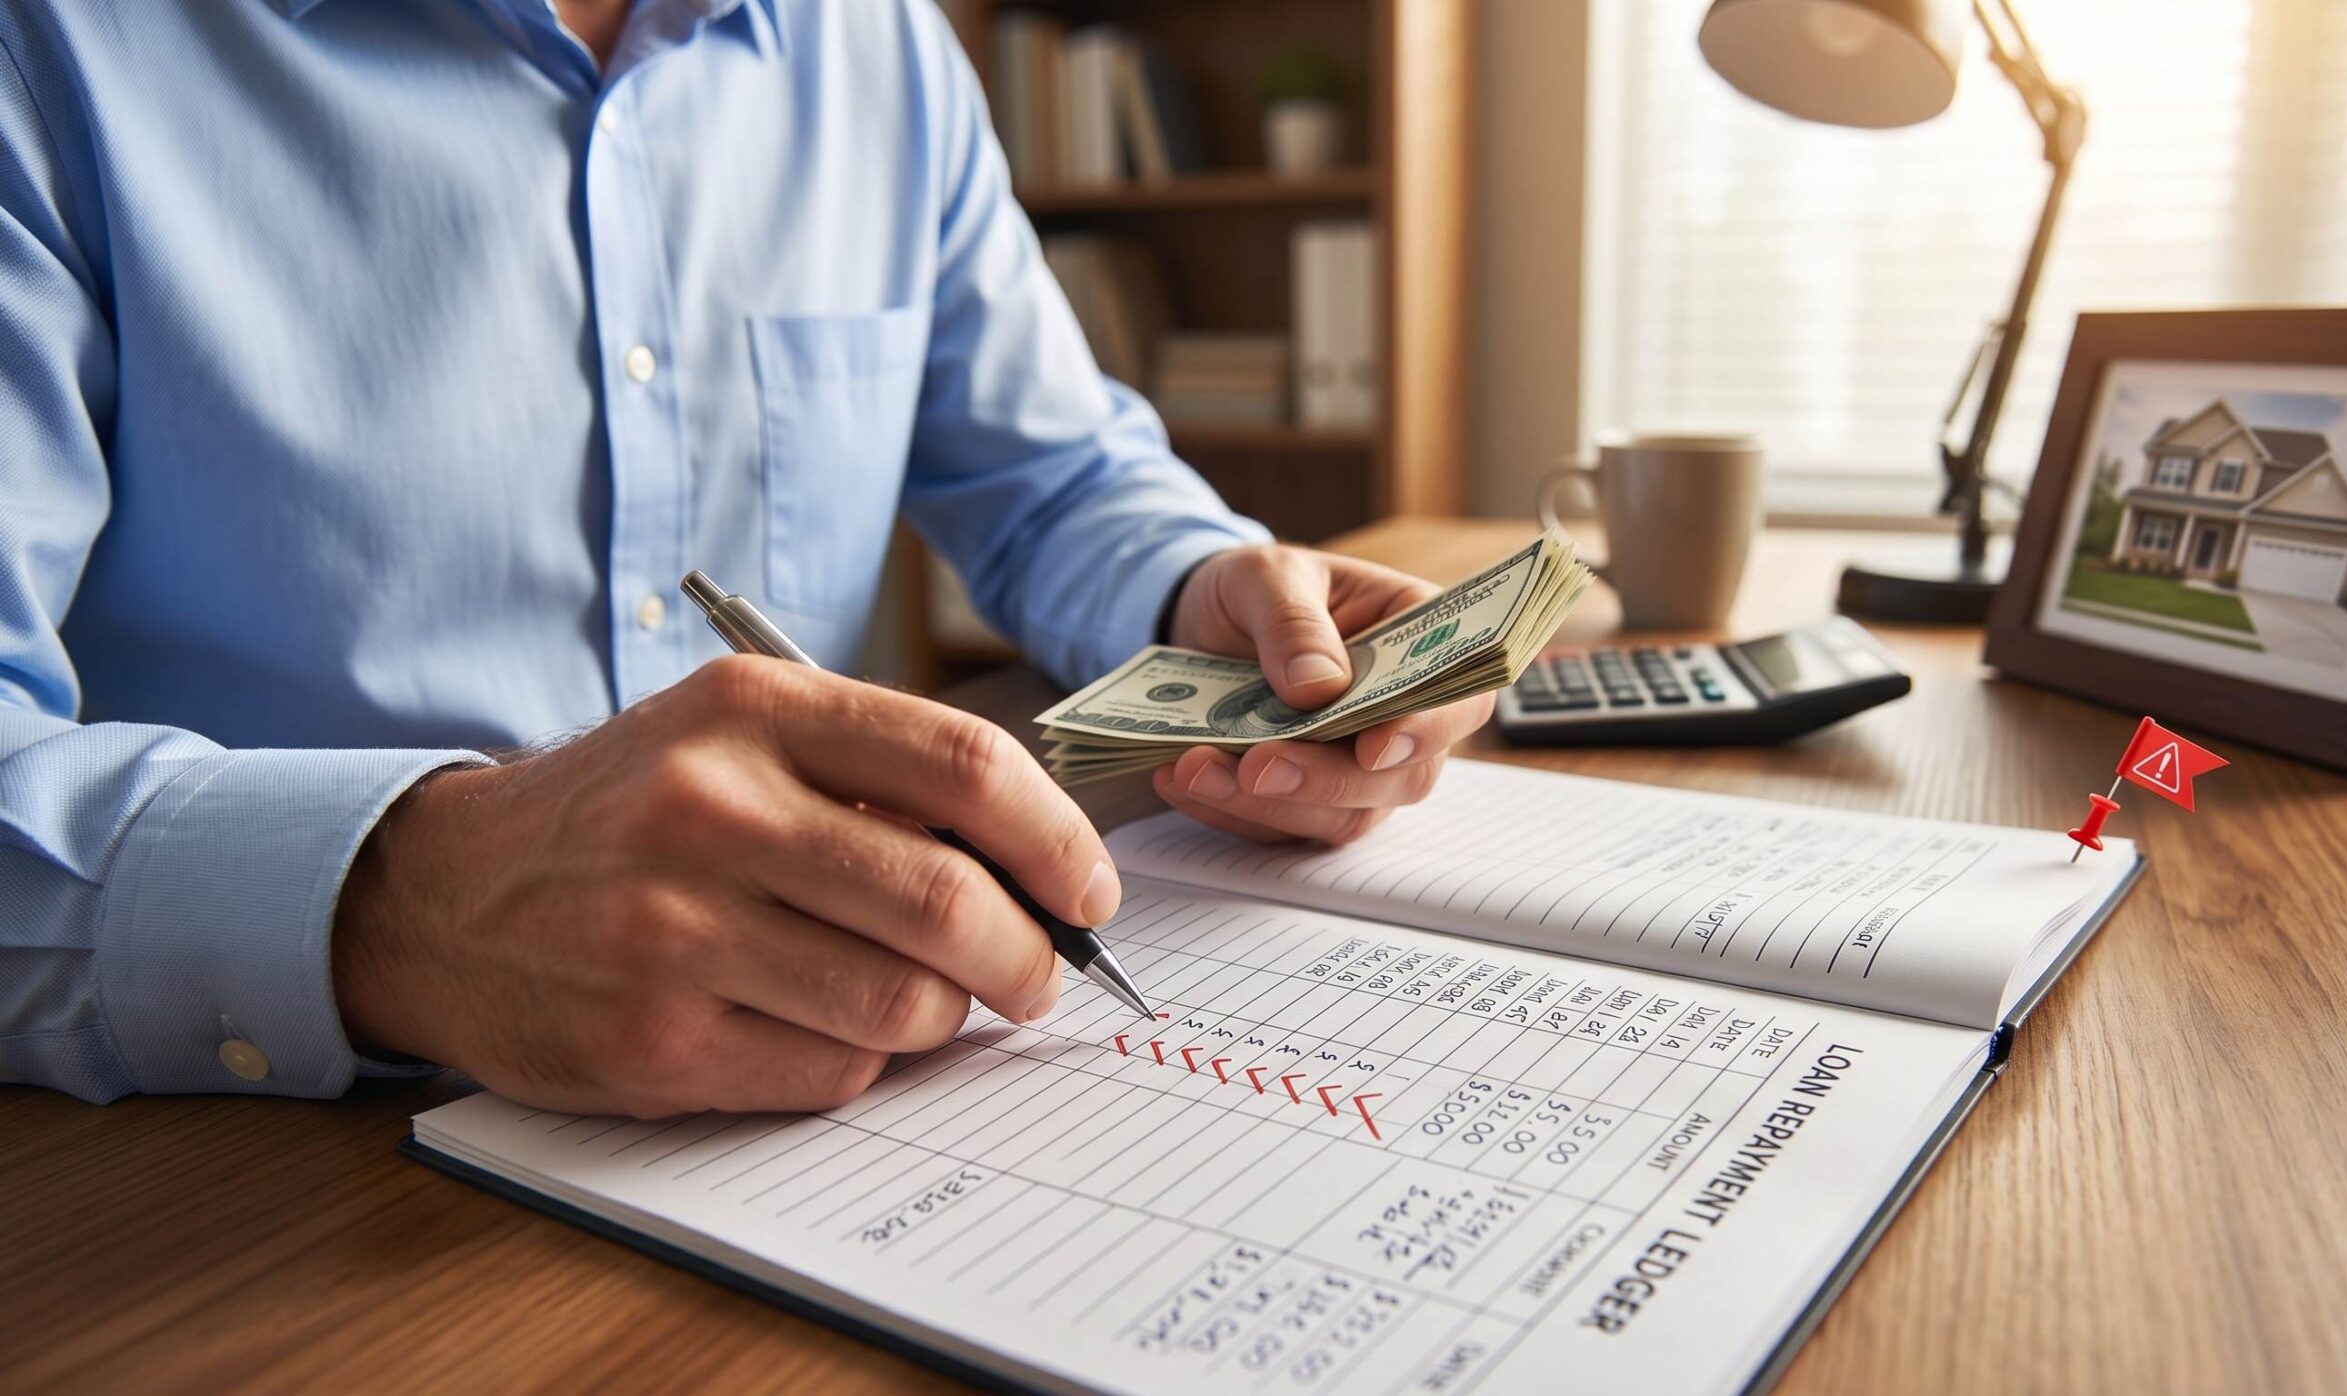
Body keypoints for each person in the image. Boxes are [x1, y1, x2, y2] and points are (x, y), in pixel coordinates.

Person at [0, 0, 1492, 1113]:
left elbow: (1051, 475)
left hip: (806, 1083)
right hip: (249, 1168)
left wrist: (1199, 591)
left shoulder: (879, 46)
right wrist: (393, 901)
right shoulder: (54, 48)